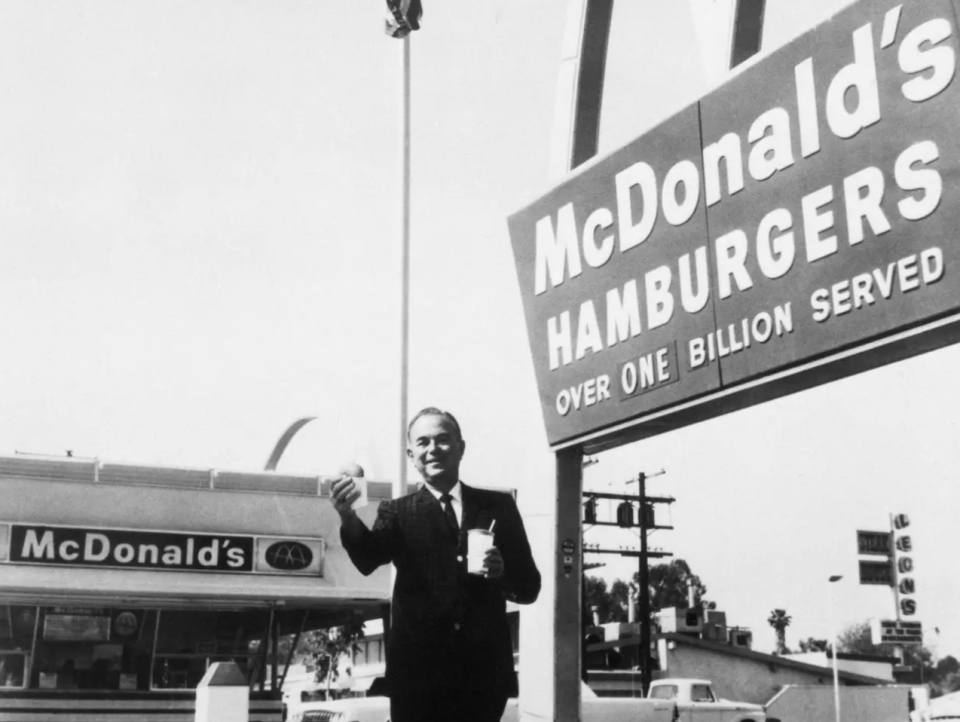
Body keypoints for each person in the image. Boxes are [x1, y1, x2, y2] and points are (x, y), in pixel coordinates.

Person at [331, 407, 541, 722]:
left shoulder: (499, 507)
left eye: (443, 440)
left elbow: (528, 587)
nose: (433, 449)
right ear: (411, 454)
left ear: (461, 447)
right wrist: (347, 516)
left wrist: (502, 574)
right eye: (423, 442)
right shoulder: (397, 512)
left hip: (482, 678)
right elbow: (367, 558)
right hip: (418, 681)